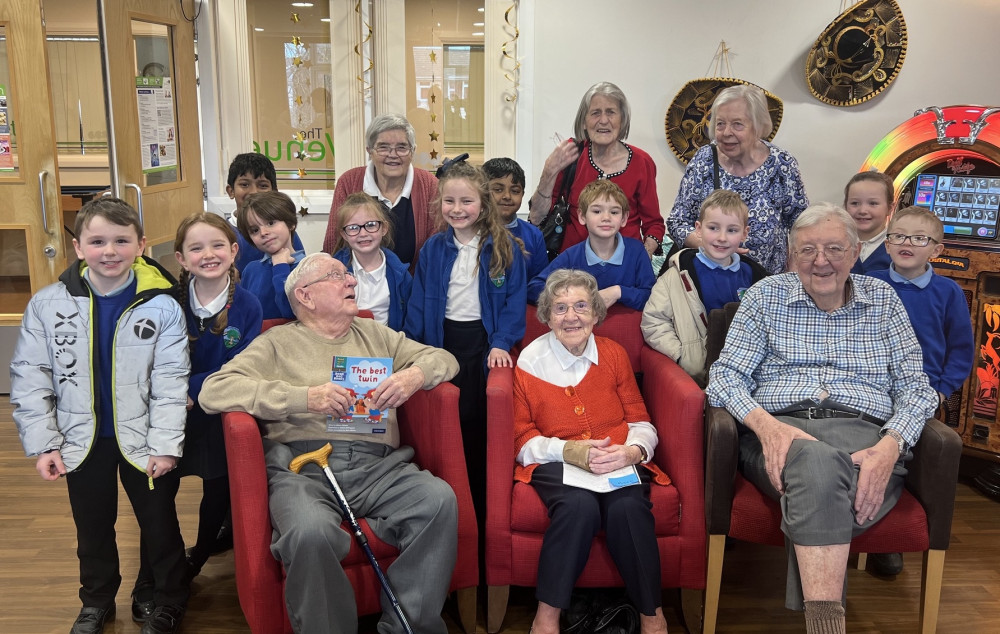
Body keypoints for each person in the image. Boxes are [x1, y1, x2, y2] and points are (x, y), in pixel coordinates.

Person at [705, 203, 938, 634]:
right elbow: (723, 377)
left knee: (818, 471)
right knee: (813, 460)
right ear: (792, 256)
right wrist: (767, 427)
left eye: (834, 248)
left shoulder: (884, 301)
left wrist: (892, 445)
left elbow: (917, 387)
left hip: (864, 436)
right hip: (781, 433)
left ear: (854, 253)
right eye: (807, 250)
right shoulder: (764, 297)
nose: (821, 261)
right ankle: (827, 626)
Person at [199, 253, 460, 634]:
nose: (351, 281)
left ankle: (408, 628)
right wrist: (305, 398)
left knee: (438, 501)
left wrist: (413, 377)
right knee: (308, 532)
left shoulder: (376, 334)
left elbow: (444, 359)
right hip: (303, 466)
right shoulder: (277, 343)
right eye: (337, 275)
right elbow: (214, 390)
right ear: (305, 296)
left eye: (349, 275)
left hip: (380, 466)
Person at [11, 198, 190, 634]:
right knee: (92, 529)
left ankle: (166, 596)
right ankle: (96, 600)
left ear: (141, 245)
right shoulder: (47, 305)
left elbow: (171, 381)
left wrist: (166, 446)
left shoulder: (163, 306)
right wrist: (44, 444)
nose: (109, 250)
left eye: (121, 240)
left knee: (159, 524)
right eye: (97, 241)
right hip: (80, 440)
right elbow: (31, 377)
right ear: (78, 247)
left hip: (145, 441)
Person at [514, 269, 670, 634]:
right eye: (560, 308)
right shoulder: (529, 362)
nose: (571, 317)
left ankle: (652, 615)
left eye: (581, 306)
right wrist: (569, 450)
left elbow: (641, 421)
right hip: (556, 462)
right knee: (577, 507)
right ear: (546, 316)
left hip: (617, 458)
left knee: (628, 508)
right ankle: (547, 616)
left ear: (596, 313)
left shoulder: (614, 355)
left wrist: (632, 452)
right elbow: (522, 440)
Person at [404, 160, 527, 520]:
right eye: (449, 201)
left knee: (478, 421)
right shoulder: (432, 249)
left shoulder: (505, 247)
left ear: (484, 204)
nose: (457, 210)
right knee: (447, 421)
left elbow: (514, 303)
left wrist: (502, 342)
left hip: (483, 343)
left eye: (466, 202)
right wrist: (416, 347)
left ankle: (481, 499)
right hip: (442, 342)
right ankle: (448, 499)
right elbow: (418, 301)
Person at [172, 212, 263, 580]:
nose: (207, 254)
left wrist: (193, 391)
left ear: (234, 250)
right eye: (196, 248)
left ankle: (199, 557)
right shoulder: (169, 302)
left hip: (218, 413)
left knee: (217, 488)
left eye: (217, 245)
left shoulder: (248, 306)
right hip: (168, 413)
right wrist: (174, 393)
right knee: (159, 491)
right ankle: (163, 562)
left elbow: (241, 368)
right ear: (180, 258)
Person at [667, 84, 809, 274]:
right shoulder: (704, 160)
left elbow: (801, 224)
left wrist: (794, 271)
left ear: (758, 127)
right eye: (720, 123)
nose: (726, 133)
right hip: (709, 278)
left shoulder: (781, 164)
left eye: (737, 124)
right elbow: (677, 221)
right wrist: (715, 246)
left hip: (765, 281)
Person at [641, 189, 768, 383]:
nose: (722, 237)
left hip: (746, 374)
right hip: (700, 377)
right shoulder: (676, 275)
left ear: (744, 233)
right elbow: (653, 320)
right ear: (698, 229)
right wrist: (683, 356)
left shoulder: (756, 278)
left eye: (732, 230)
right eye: (713, 228)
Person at [527, 81, 665, 257]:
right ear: (584, 122)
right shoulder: (571, 154)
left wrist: (641, 258)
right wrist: (548, 173)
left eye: (611, 112)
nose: (603, 120)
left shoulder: (642, 162)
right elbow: (537, 218)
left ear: (622, 120)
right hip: (573, 266)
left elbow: (654, 225)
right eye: (595, 113)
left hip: (624, 266)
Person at [870, 206, 974, 403]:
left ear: (936, 250)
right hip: (872, 385)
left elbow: (961, 349)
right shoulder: (869, 283)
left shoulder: (949, 292)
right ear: (887, 245)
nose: (907, 243)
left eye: (919, 238)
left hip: (923, 389)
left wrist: (941, 392)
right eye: (899, 236)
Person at [322, 114, 438, 268]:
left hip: (413, 285)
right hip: (356, 284)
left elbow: (435, 248)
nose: (393, 155)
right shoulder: (349, 182)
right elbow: (334, 243)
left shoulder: (429, 185)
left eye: (402, 147)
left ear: (412, 151)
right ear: (369, 150)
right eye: (383, 147)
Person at [528, 179, 655, 310]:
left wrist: (618, 292)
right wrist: (574, 294)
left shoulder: (637, 251)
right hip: (581, 328)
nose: (606, 218)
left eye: (614, 212)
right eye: (597, 211)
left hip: (626, 328)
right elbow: (534, 288)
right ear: (582, 217)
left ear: (624, 219)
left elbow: (652, 296)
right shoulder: (571, 256)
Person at [330, 191, 412, 330]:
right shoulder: (332, 272)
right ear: (344, 234)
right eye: (353, 228)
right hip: (345, 342)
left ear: (384, 228)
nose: (363, 233)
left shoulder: (401, 275)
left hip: (386, 343)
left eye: (371, 225)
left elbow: (410, 319)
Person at [224, 152, 304, 274]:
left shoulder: (285, 233)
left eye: (263, 185)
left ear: (274, 192)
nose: (254, 192)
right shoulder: (223, 233)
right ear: (231, 191)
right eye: (244, 184)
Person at [238, 191, 304, 320]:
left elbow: (291, 312)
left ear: (291, 223)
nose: (263, 232)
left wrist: (280, 267)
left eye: (271, 223)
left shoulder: (308, 268)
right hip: (257, 338)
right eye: (255, 230)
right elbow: (244, 313)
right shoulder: (251, 270)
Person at [484, 156, 549, 278]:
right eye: (498, 189)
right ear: (482, 192)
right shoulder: (472, 231)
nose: (507, 196)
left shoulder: (534, 235)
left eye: (515, 191)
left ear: (523, 194)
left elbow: (539, 283)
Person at [844, 170, 895, 274]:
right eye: (855, 203)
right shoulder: (834, 245)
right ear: (845, 206)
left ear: (889, 208)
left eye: (873, 203)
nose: (862, 211)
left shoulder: (898, 248)